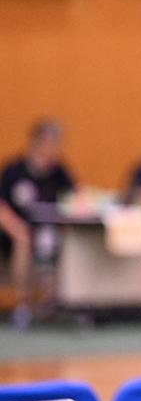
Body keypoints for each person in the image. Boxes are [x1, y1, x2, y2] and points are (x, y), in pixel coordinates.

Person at [0, 119, 75, 328]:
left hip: (48, 231)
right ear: (35, 142)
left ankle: (50, 304)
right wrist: (16, 229)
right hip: (13, 235)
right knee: (24, 240)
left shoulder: (59, 172)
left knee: (59, 240)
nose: (51, 149)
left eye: (55, 144)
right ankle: (22, 306)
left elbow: (73, 200)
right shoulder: (14, 170)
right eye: (47, 143)